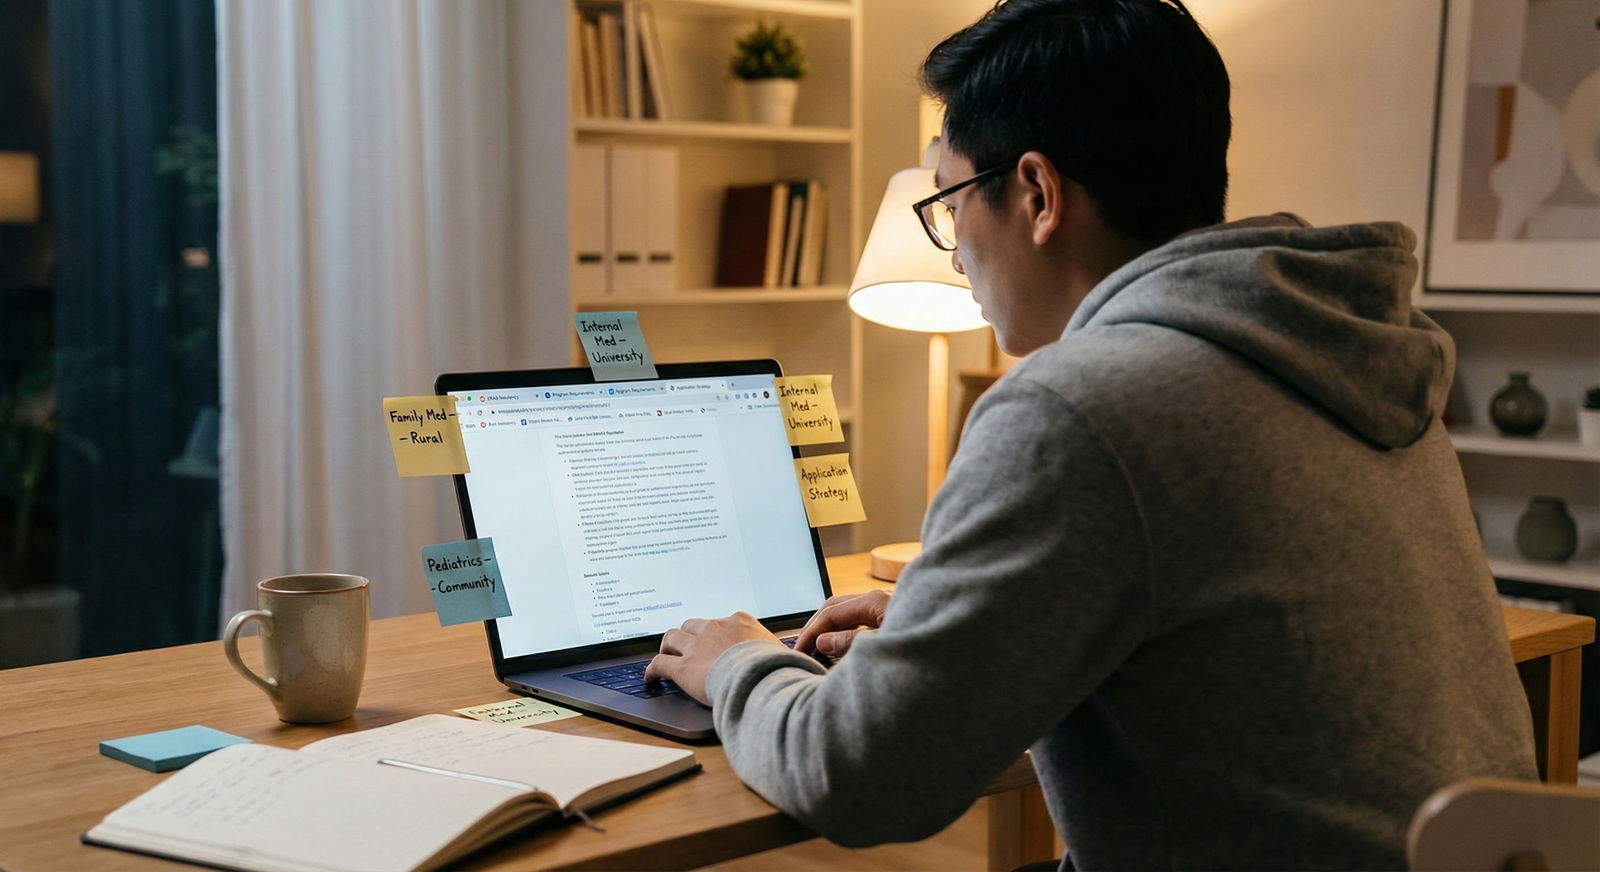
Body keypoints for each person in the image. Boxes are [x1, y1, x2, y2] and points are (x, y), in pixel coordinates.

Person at [645, 0, 1537, 867]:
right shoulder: (1349, 349)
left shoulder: (1082, 407)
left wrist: (738, 663)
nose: (954, 250)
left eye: (950, 201)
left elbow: (859, 778)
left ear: (1036, 192)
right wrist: (955, 625)